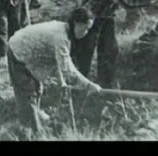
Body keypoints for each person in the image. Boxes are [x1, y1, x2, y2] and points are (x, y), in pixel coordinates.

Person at [7, 7, 101, 135]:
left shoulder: (66, 32)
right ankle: (31, 131)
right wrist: (88, 85)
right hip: (17, 50)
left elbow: (60, 62)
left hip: (35, 56)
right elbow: (67, 68)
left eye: (88, 29)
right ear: (77, 23)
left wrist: (62, 81)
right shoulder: (60, 37)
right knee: (27, 93)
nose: (86, 32)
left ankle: (35, 116)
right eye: (85, 28)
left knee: (38, 88)